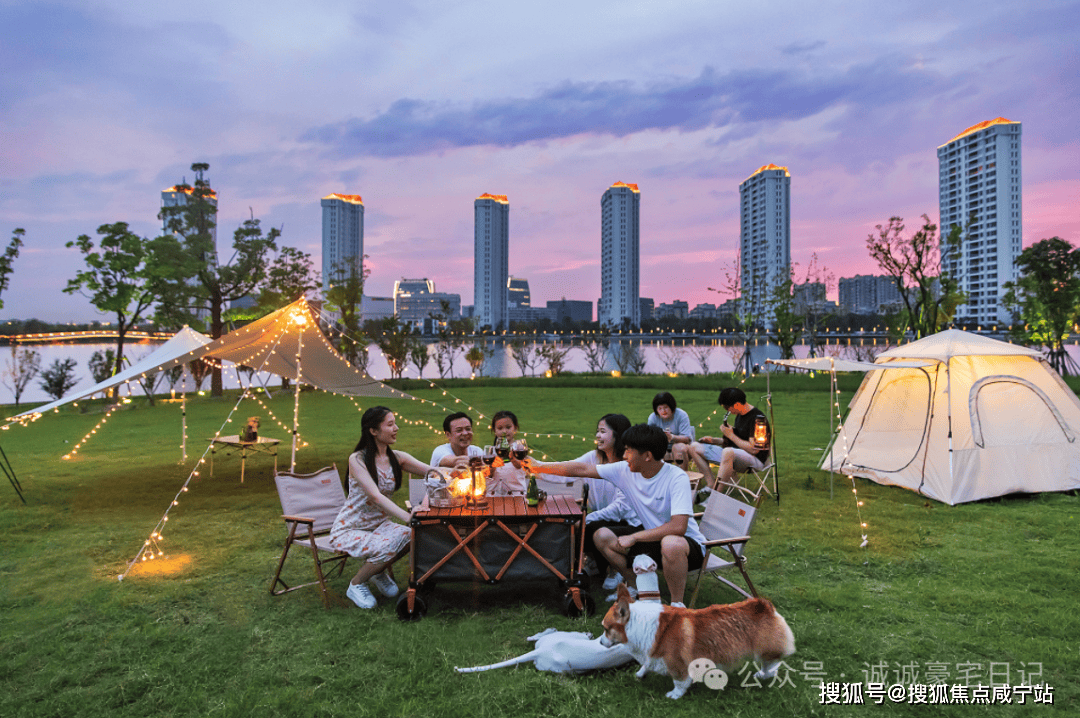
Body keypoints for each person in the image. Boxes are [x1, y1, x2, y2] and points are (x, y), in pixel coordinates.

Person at [530, 423, 706, 607]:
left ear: (647, 456)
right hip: (652, 538)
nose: (624, 455)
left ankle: (677, 605)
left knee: (670, 543)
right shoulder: (625, 470)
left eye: (629, 451)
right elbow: (582, 469)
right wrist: (539, 466)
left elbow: (678, 527)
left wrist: (635, 537)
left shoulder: (676, 478)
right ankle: (636, 587)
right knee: (602, 535)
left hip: (686, 546)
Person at [330, 406, 438, 610]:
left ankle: (377, 572)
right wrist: (407, 516)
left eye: (395, 423)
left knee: (414, 536)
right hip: (351, 528)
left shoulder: (397, 457)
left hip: (379, 526)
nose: (396, 428)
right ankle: (356, 584)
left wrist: (463, 467)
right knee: (390, 544)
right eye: (390, 424)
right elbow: (375, 496)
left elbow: (433, 471)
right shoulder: (357, 459)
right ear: (373, 431)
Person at [570, 413, 641, 591]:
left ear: (617, 435)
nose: (597, 436)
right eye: (597, 431)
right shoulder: (593, 457)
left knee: (586, 524)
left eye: (602, 431)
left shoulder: (628, 465)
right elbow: (569, 469)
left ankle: (615, 568)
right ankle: (596, 563)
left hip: (627, 522)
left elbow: (620, 509)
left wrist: (589, 518)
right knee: (573, 525)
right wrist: (536, 469)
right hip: (602, 518)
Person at [685, 387, 770, 494]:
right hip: (734, 455)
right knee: (693, 447)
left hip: (756, 460)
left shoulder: (758, 419)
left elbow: (754, 449)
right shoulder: (740, 415)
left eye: (727, 407)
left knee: (727, 451)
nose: (727, 410)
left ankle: (715, 496)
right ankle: (711, 484)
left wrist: (730, 435)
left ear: (737, 404)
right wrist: (714, 440)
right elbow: (739, 441)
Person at [485, 410, 528, 495]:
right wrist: (492, 467)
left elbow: (522, 468)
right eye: (500, 428)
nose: (504, 431)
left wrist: (514, 460)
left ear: (515, 428)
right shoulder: (491, 452)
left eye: (508, 427)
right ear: (494, 430)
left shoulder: (519, 449)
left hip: (517, 494)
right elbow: (487, 475)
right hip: (495, 495)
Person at [646, 391, 694, 467]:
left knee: (679, 448)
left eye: (666, 407)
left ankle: (681, 473)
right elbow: (649, 437)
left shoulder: (681, 415)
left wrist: (672, 437)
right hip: (661, 447)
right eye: (660, 408)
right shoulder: (653, 418)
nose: (663, 411)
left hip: (680, 446)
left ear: (672, 407)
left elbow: (687, 438)